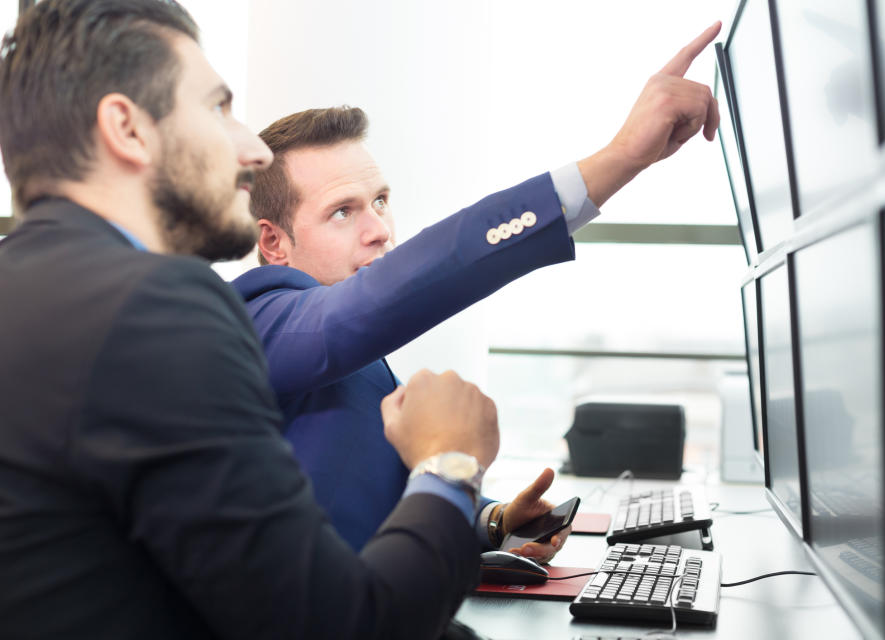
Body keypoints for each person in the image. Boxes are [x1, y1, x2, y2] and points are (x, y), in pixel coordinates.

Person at [0, 2, 500, 638]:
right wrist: (450, 464)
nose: (253, 148)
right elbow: (340, 626)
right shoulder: (157, 307)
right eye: (217, 108)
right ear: (127, 128)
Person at [234, 25, 721, 557]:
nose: (379, 229)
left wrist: (495, 521)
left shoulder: (362, 361)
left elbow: (388, 506)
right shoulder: (255, 324)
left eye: (379, 201)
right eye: (342, 211)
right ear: (274, 243)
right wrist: (621, 157)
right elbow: (394, 290)